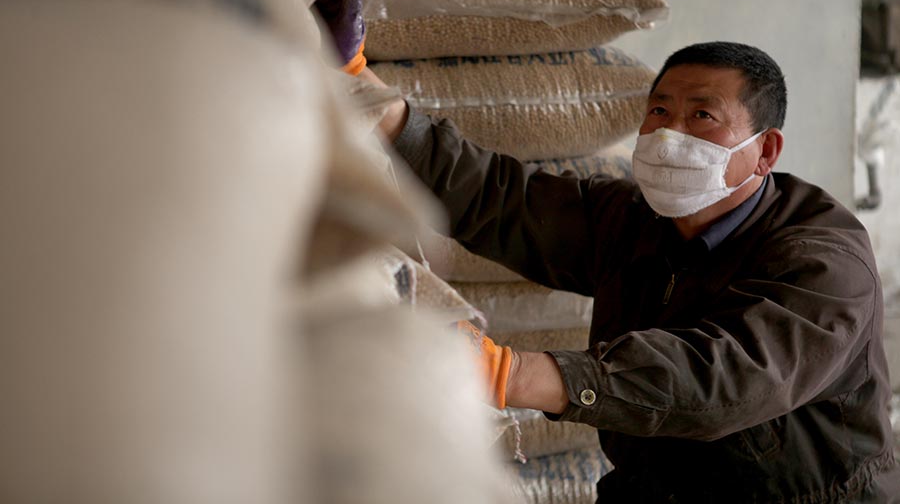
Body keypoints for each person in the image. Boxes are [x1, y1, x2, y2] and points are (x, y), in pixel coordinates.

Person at [369, 41, 900, 502]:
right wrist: (373, 100)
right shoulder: (632, 221)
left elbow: (720, 381)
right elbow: (501, 200)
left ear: (765, 151)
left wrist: (511, 374)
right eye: (660, 112)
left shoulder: (824, 260)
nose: (670, 135)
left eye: (702, 116)